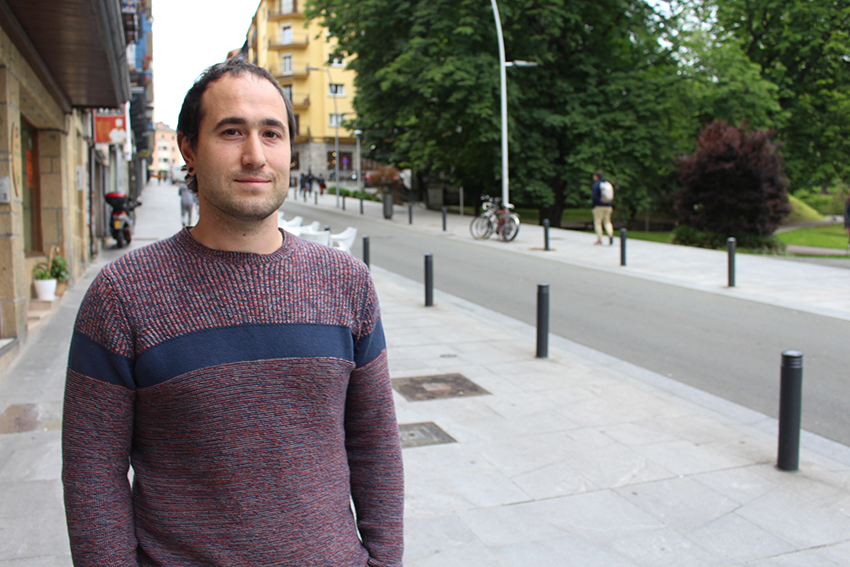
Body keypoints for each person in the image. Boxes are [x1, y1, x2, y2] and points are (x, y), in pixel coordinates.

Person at [62, 59, 404, 566]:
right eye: (231, 132)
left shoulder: (346, 281)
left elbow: (375, 442)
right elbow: (92, 474)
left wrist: (384, 560)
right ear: (188, 148)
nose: (255, 155)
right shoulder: (122, 294)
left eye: (272, 134)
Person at [591, 170, 614, 245]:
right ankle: (610, 234)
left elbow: (594, 197)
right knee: (607, 221)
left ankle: (599, 239)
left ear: (596, 176)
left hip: (598, 206)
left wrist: (594, 205)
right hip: (608, 206)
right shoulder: (607, 184)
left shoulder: (596, 185)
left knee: (598, 222)